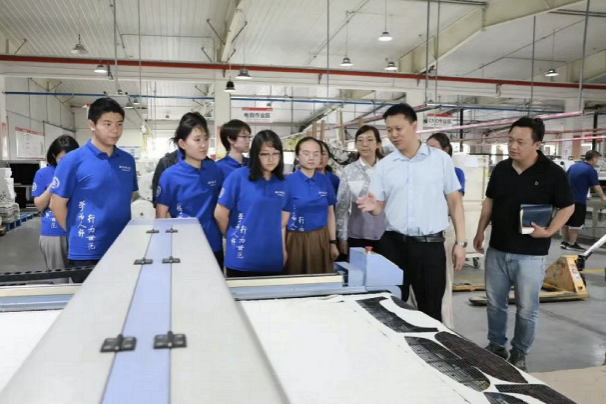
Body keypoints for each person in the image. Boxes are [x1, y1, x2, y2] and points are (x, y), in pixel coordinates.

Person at [473, 117, 574, 371]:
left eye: (520, 142)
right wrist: (480, 230)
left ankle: (519, 352)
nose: (512, 146)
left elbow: (568, 206)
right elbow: (489, 201)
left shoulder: (552, 173)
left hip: (530, 254)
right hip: (497, 249)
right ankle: (496, 345)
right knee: (495, 304)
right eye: (510, 140)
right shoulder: (501, 169)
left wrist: (549, 231)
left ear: (537, 145)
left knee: (527, 309)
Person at [357, 103, 466, 322]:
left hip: (429, 246)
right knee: (390, 308)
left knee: (430, 310)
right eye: (389, 130)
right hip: (393, 245)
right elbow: (379, 207)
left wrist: (461, 243)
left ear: (414, 126)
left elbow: (454, 202)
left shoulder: (440, 160)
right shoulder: (386, 165)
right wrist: (372, 207)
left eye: (398, 129)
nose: (394, 135)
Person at [50, 98, 138, 283]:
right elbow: (56, 205)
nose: (115, 130)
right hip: (86, 252)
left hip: (121, 247)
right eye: (107, 124)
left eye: (119, 124)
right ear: (92, 125)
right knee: (87, 300)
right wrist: (77, 233)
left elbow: (127, 198)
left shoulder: (127, 161)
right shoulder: (73, 160)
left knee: (121, 296)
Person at [215, 130, 292, 277]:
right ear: (256, 155)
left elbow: (282, 222)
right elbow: (220, 214)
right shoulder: (238, 177)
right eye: (265, 154)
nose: (271, 159)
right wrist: (233, 235)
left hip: (272, 258)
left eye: (275, 154)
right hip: (241, 258)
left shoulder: (284, 183)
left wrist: (283, 250)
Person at [156, 112, 224, 267]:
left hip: (213, 244)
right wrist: (163, 247)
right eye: (197, 140)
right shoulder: (170, 176)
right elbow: (161, 215)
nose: (203, 145)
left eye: (206, 139)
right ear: (182, 144)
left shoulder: (214, 170)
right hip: (183, 246)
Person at [426, 132, 466, 329]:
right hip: (424, 236)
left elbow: (453, 204)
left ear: (446, 150)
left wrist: (461, 243)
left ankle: (446, 329)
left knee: (444, 285)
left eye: (433, 148)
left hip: (444, 233)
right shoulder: (424, 172)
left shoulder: (455, 172)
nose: (428, 153)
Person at [285, 137, 339, 274]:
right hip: (294, 239)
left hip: (320, 238)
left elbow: (330, 213)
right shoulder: (287, 181)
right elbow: (281, 219)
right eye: (306, 153)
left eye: (316, 154)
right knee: (295, 278)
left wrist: (332, 242)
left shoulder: (325, 180)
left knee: (319, 279)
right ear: (297, 156)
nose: (311, 157)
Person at [32, 135, 80, 275]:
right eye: (62, 159)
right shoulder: (43, 174)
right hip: (54, 233)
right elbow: (39, 205)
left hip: (79, 230)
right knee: (60, 277)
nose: (67, 163)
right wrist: (54, 184)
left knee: (82, 276)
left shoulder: (81, 172)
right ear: (54, 156)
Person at [336, 125, 385, 258]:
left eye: (369, 140)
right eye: (360, 140)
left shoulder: (387, 169)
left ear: (378, 144)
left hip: (386, 235)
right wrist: (342, 237)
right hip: (357, 235)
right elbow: (342, 207)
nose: (364, 144)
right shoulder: (349, 171)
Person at [561, 150, 606, 251]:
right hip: (578, 200)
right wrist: (603, 197)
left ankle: (564, 242)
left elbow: (565, 179)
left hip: (566, 199)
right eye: (597, 159)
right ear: (593, 159)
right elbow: (596, 186)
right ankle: (572, 244)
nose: (597, 161)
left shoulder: (573, 166)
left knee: (565, 222)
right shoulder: (591, 170)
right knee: (575, 223)